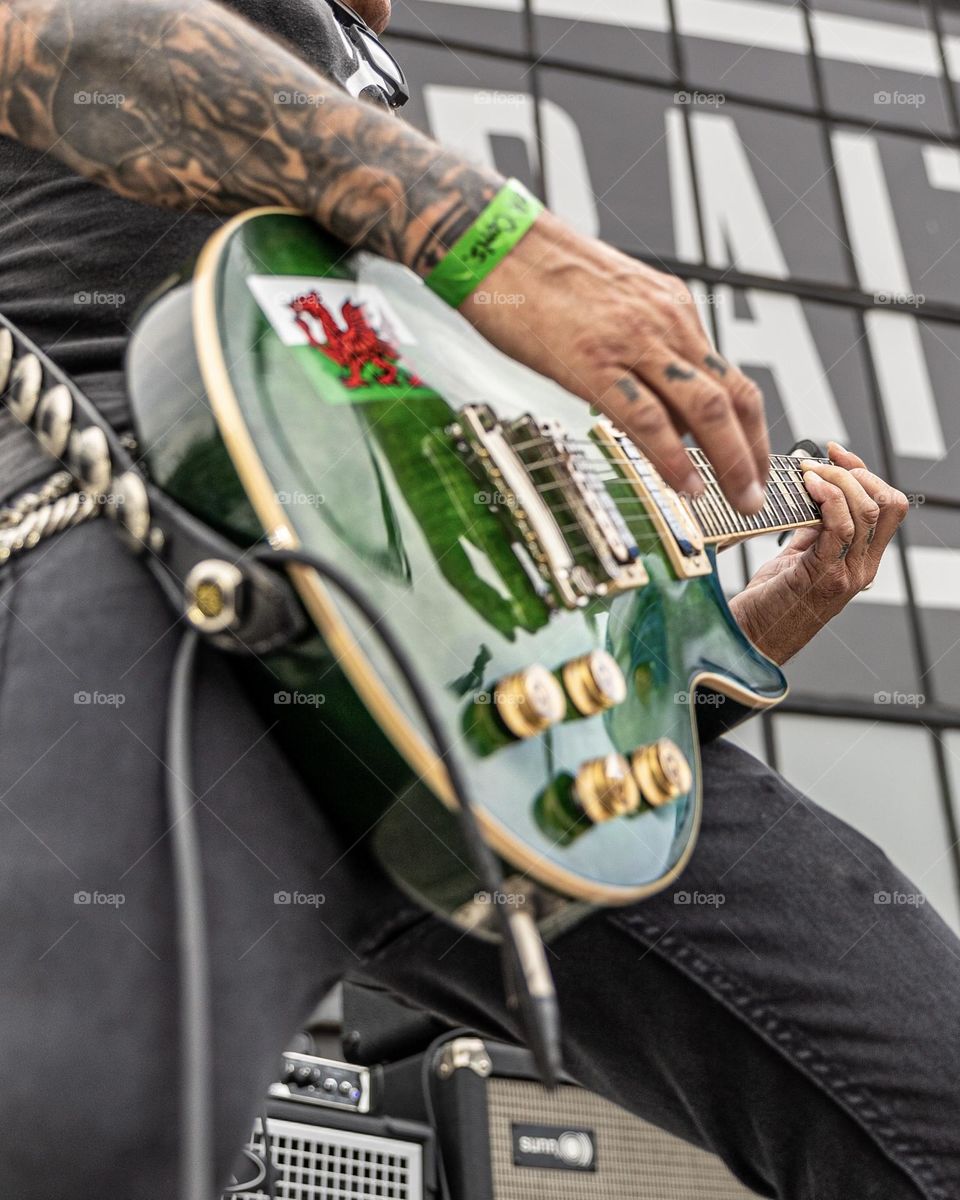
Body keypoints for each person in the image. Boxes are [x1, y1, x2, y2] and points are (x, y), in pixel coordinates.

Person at [0, 3, 948, 1199]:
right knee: (77, 1142)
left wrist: (731, 639)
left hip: (451, 718)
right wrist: (492, 234)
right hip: (158, 539)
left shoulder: (358, 81)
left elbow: (497, 557)